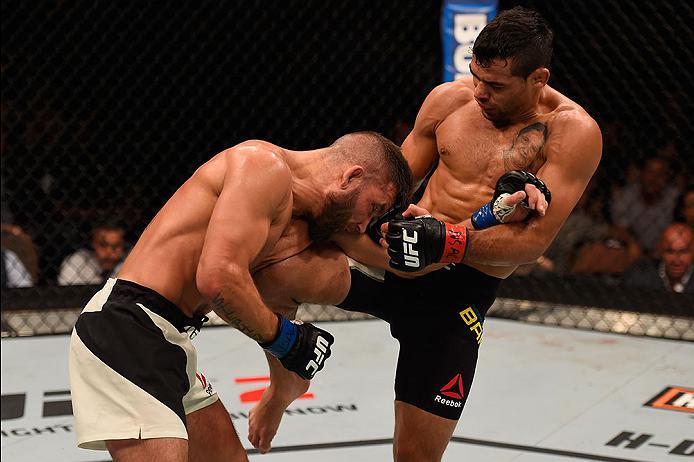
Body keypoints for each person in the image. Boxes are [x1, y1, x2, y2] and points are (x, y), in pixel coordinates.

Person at [247, 7, 602, 461]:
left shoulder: (572, 132)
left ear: (538, 79)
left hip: (459, 294)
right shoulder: (450, 100)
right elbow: (391, 181)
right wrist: (385, 216)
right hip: (395, 256)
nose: (479, 94)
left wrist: (451, 241)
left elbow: (535, 243)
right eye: (476, 77)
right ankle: (283, 386)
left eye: (495, 86)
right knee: (277, 264)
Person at [68, 132, 413, 462]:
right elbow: (217, 278)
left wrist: (278, 394)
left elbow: (276, 302)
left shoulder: (291, 218)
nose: (362, 223)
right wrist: (288, 341)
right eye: (373, 207)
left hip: (169, 339)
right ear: (350, 176)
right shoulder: (263, 167)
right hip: (129, 327)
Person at [610, 155, 680, 256]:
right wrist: (631, 242)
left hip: (667, 250)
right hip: (631, 251)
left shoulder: (675, 199)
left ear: (667, 177)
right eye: (650, 172)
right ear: (641, 173)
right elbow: (619, 228)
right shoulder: (625, 196)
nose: (653, 178)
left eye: (660, 174)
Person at [623, 223, 693, 293]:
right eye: (670, 252)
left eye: (684, 252)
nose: (676, 261)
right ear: (660, 250)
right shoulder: (639, 274)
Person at [58, 220, 126, 285]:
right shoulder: (76, 262)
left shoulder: (127, 263)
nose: (109, 252)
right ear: (93, 243)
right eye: (103, 245)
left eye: (116, 246)